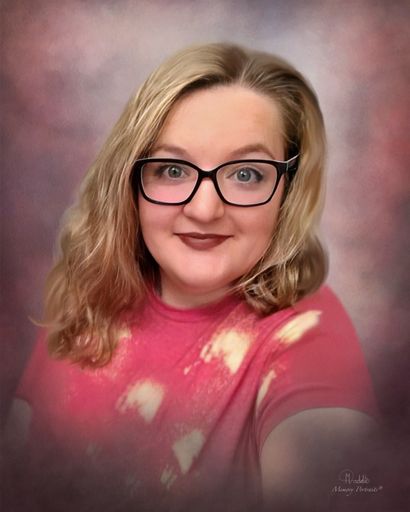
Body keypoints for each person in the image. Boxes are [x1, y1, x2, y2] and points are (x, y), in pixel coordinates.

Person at [5, 43, 379, 512]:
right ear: (130, 183)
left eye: (247, 174)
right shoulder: (86, 299)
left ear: (287, 190)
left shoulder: (309, 336)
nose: (204, 209)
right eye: (173, 169)